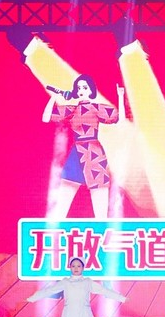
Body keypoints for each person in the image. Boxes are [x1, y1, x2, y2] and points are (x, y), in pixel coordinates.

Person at [42, 74, 125, 219]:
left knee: (100, 214)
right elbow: (46, 118)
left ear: (91, 90)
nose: (81, 90)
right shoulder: (72, 110)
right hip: (76, 154)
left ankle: (101, 233)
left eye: (85, 87)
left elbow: (120, 120)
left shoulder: (96, 108)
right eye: (79, 88)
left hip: (94, 154)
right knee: (61, 209)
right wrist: (54, 96)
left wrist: (120, 97)